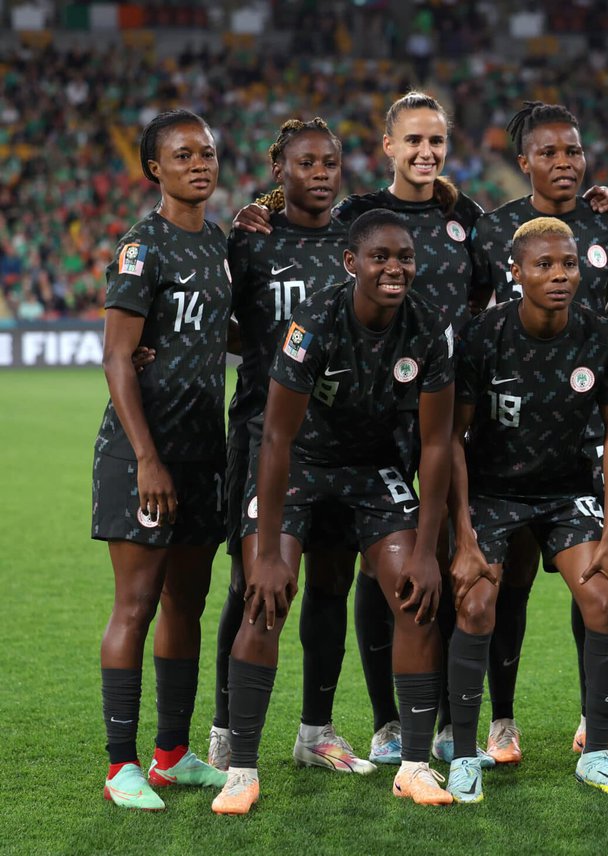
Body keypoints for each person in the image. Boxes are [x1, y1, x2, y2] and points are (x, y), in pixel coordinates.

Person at [234, 92, 482, 766]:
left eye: (437, 141)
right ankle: (245, 745)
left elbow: (487, 293)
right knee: (270, 582)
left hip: (394, 438)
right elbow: (296, 201)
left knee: (388, 582)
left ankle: (403, 738)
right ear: (389, 146)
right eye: (414, 140)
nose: (426, 152)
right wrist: (257, 201)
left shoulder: (460, 222)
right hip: (297, 430)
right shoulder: (320, 225)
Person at [210, 210, 455, 813]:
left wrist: (426, 551)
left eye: (405, 258)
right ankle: (241, 771)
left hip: (373, 468)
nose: (395, 268)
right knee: (266, 598)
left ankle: (416, 767)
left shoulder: (429, 327)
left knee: (415, 597)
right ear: (352, 264)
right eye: (381, 257)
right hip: (299, 463)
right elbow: (275, 439)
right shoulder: (316, 320)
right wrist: (266, 553)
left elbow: (436, 444)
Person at [468, 101, 608, 764]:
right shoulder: (494, 231)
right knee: (506, 585)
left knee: (589, 573)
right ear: (525, 161)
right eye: (549, 153)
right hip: (510, 437)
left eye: (573, 151)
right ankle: (501, 723)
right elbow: (476, 316)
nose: (564, 163)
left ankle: (589, 724)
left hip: (586, 426)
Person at [206, 118, 375, 776]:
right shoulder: (251, 240)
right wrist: (275, 360)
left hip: (339, 438)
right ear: (279, 167)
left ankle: (316, 730)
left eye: (330, 162)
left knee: (333, 580)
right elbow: (224, 322)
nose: (322, 172)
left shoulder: (353, 240)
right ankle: (225, 728)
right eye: (307, 163)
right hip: (260, 430)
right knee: (253, 580)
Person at [93, 109, 230, 810]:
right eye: (183, 154)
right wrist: (147, 458)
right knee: (137, 603)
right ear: (156, 169)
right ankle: (122, 767)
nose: (199, 163)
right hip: (143, 453)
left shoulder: (220, 243)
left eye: (206, 152)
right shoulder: (142, 248)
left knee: (188, 602)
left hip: (205, 451)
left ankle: (172, 755)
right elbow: (117, 355)